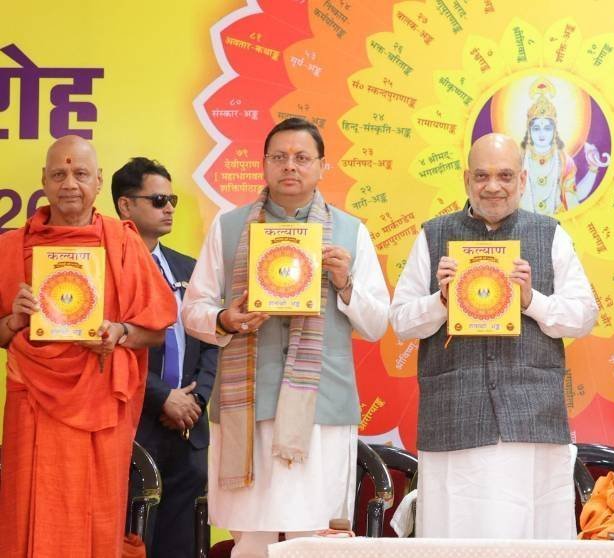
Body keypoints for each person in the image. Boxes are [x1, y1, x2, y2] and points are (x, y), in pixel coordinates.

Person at [181, 118, 390, 557]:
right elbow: (193, 309)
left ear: (322, 166)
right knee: (251, 540)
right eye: (279, 157)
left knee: (313, 539)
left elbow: (376, 324)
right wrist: (226, 318)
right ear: (263, 164)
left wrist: (345, 282)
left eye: (301, 157)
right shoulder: (229, 227)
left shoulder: (350, 231)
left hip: (320, 409)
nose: (290, 166)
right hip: (247, 407)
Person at [390, 133, 597, 538]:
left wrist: (531, 300)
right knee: (455, 533)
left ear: (523, 179)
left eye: (504, 176)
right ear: (467, 179)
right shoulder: (433, 235)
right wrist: (441, 301)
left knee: (529, 535)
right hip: (454, 417)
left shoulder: (549, 234)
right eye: (482, 176)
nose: (493, 187)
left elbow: (583, 317)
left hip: (530, 423)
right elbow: (400, 321)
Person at [0, 136, 176, 557]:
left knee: (96, 514)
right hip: (33, 403)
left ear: (98, 181)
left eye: (80, 174)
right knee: (29, 508)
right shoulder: (11, 247)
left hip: (99, 400)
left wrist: (119, 332)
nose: (69, 184)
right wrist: (14, 321)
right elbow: (2, 334)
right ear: (43, 180)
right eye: (58, 174)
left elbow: (155, 331)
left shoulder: (123, 243)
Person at [112, 157, 218, 558]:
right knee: (132, 540)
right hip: (137, 423)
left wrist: (196, 399)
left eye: (172, 199)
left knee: (183, 545)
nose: (169, 208)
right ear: (126, 205)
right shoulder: (109, 269)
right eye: (158, 200)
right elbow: (112, 347)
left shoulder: (188, 267)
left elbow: (212, 339)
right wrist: (163, 398)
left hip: (189, 428)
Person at [519, 78, 608, 215]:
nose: (542, 134)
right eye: (536, 128)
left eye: (547, 128)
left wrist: (593, 169)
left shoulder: (564, 161)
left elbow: (574, 197)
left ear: (554, 130)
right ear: (529, 131)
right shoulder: (518, 160)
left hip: (559, 222)